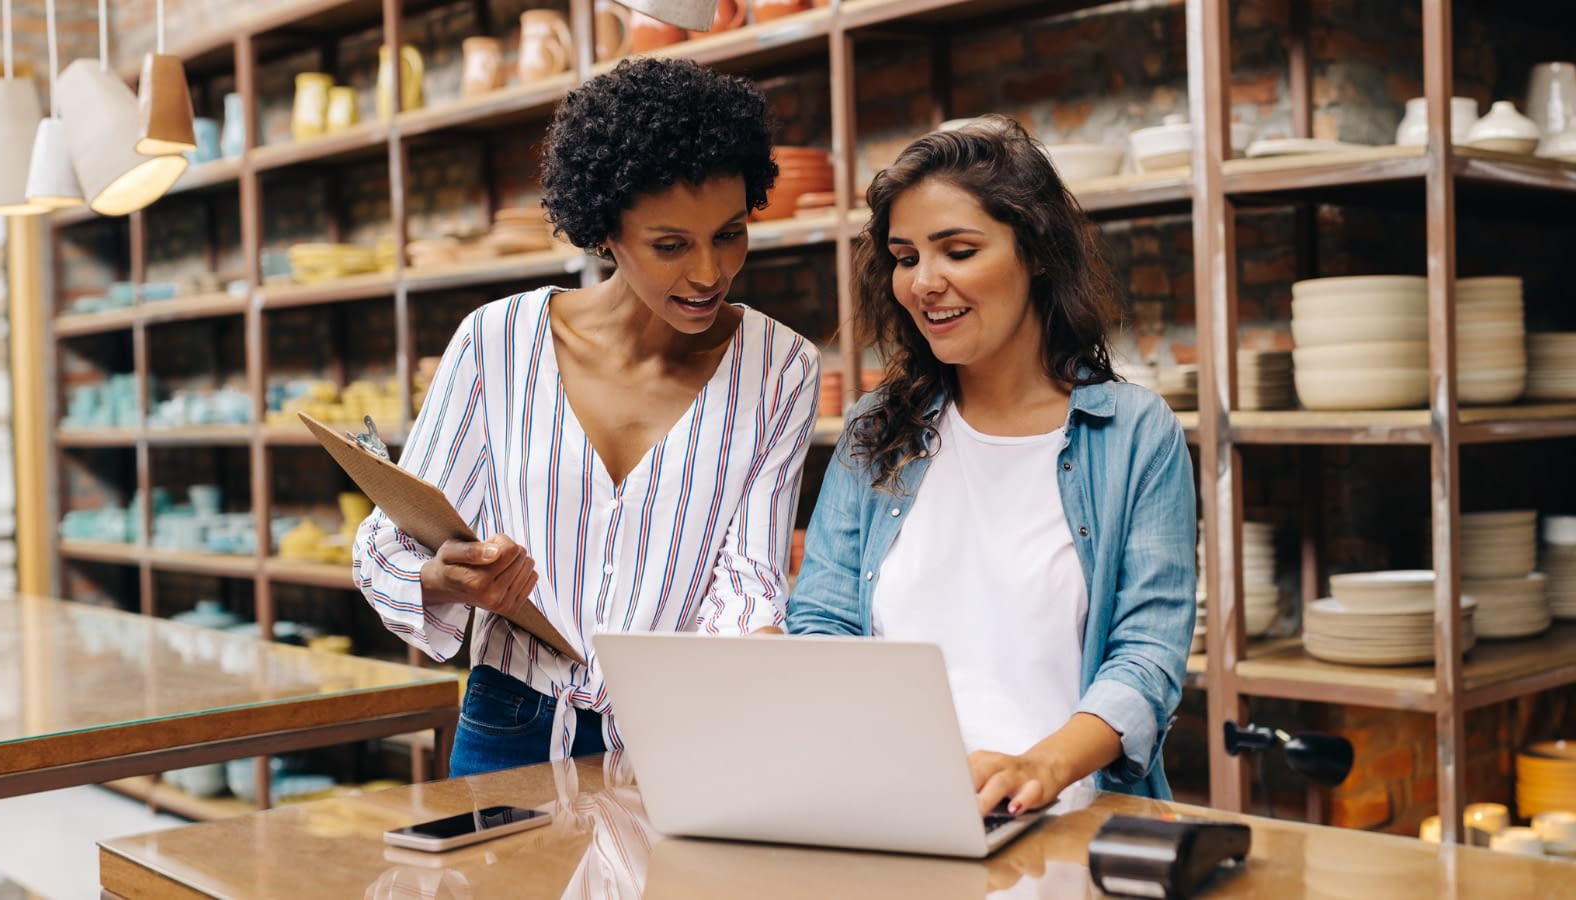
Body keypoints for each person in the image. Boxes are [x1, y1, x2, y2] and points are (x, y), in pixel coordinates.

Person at [354, 57, 820, 775]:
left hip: (685, 732)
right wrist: (453, 580)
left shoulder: (781, 366)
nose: (708, 272)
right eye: (670, 245)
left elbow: (749, 578)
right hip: (510, 721)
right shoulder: (496, 342)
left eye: (729, 233)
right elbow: (391, 544)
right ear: (605, 231)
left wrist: (764, 665)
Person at [785, 116, 1195, 814]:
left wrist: (1040, 768)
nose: (924, 282)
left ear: (1033, 252)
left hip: (1061, 814)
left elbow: (1147, 655)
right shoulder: (876, 429)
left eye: (959, 250)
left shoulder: (1132, 434)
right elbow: (821, 621)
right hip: (895, 809)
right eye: (906, 256)